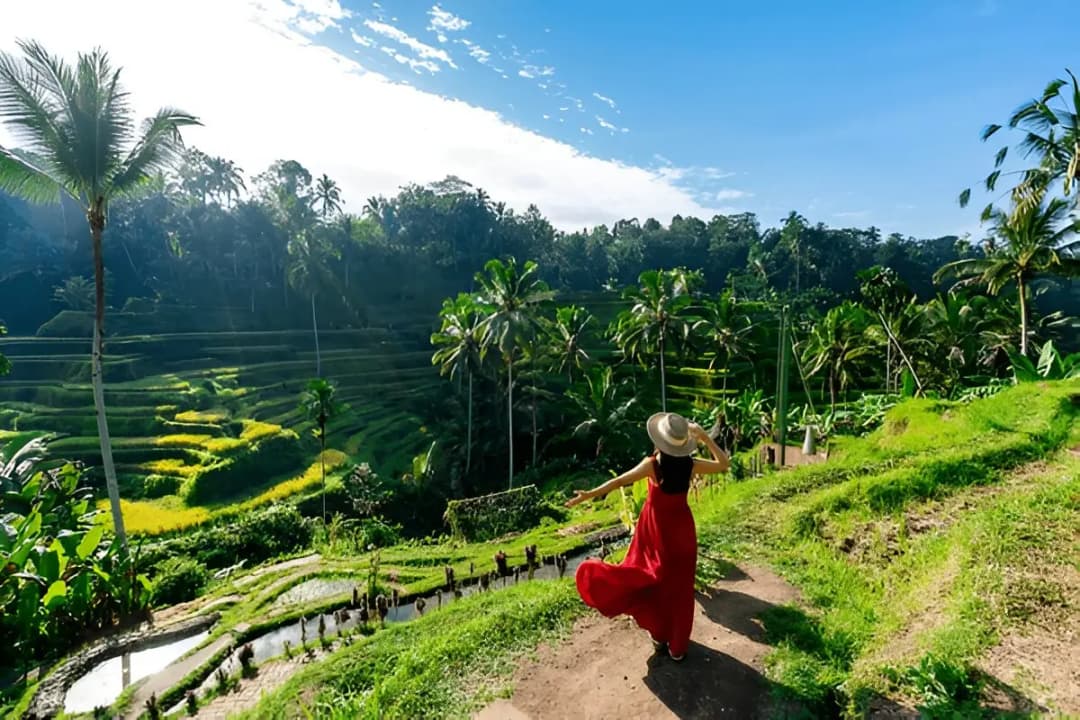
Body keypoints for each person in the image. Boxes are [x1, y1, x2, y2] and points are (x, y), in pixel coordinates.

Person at [565, 412, 729, 662]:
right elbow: (724, 464)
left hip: (657, 535)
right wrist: (705, 436)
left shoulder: (652, 465)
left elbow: (619, 481)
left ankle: (660, 635)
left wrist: (588, 495)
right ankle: (678, 648)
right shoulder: (691, 464)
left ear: (659, 440)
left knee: (653, 583)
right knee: (681, 591)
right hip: (683, 534)